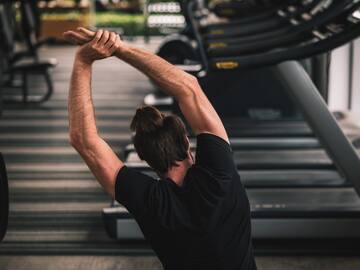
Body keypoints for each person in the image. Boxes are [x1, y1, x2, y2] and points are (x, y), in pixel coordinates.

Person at [64, 27, 256, 270]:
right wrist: (119, 48)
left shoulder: (150, 201)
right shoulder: (220, 175)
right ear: (186, 142)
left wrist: (83, 61)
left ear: (143, 157)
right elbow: (189, 88)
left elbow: (83, 139)